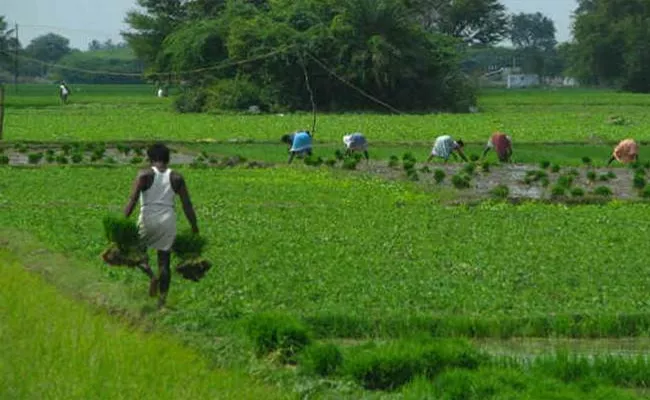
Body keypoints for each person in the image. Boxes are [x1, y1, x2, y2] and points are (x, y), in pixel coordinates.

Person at [123, 143, 199, 308]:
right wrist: (194, 227)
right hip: (168, 220)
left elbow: (133, 199)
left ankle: (151, 275)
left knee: (136, 253)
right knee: (164, 262)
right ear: (167, 159)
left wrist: (123, 220)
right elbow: (187, 205)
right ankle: (162, 302)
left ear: (150, 158)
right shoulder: (177, 178)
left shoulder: (144, 175)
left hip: (147, 217)